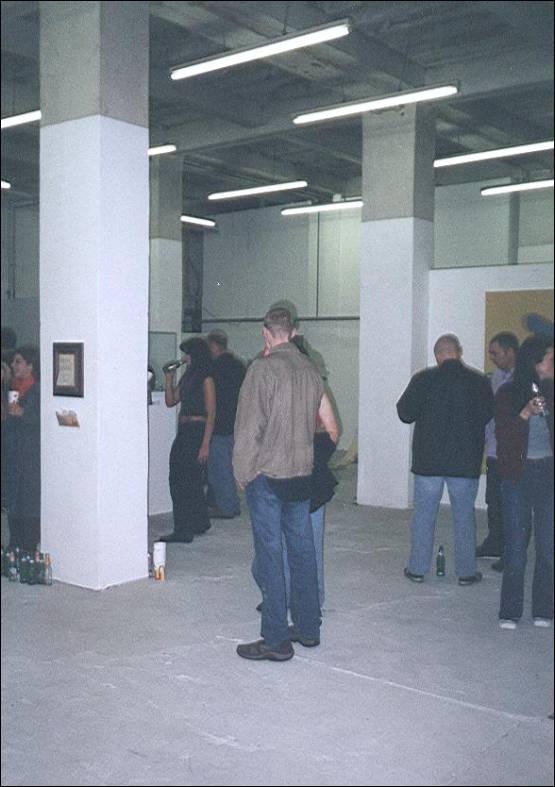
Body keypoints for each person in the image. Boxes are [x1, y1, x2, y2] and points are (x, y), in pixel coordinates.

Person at [233, 307, 323, 661]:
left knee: (270, 556)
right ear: (293, 332)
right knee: (302, 553)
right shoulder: (311, 369)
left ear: (265, 333)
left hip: (269, 476)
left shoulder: (263, 369)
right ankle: (308, 628)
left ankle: (275, 639)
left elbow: (248, 427)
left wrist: (243, 473)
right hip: (302, 474)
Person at [397, 334, 493, 585]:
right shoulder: (478, 381)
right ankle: (466, 573)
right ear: (459, 351)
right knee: (464, 517)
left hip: (428, 462)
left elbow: (405, 414)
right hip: (464, 462)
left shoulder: (423, 379)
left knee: (423, 516)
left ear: (437, 355)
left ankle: (417, 569)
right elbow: (487, 415)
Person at [495, 335, 553, 630]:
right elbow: (503, 437)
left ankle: (543, 608)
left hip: (548, 473)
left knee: (548, 547)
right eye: (551, 359)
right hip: (518, 474)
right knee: (516, 548)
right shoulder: (508, 393)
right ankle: (510, 611)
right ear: (535, 362)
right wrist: (525, 413)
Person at [161, 337, 216, 544]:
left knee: (180, 479)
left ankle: (183, 529)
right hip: (185, 429)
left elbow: (211, 413)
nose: (185, 358)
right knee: (189, 479)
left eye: (187, 354)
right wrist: (169, 380)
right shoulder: (188, 377)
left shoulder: (206, 379)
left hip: (197, 430)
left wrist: (205, 444)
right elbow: (171, 401)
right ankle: (199, 521)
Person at [476, 332, 519, 570]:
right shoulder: (491, 379)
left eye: (496, 353)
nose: (492, 357)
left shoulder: (525, 379)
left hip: (516, 453)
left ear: (510, 352)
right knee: (493, 500)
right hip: (494, 450)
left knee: (513, 505)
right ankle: (495, 543)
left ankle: (513, 553)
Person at [205, 330, 246, 519]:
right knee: (229, 467)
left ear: (213, 346)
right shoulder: (239, 366)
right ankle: (230, 503)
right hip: (236, 423)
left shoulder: (213, 368)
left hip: (219, 424)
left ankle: (227, 506)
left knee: (219, 469)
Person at [6, 346, 41, 552]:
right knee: (14, 504)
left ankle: (28, 551)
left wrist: (24, 414)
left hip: (30, 459)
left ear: (30, 366)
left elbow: (41, 421)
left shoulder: (37, 390)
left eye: (18, 361)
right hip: (14, 457)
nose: (13, 365)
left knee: (28, 504)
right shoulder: (13, 388)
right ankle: (14, 550)